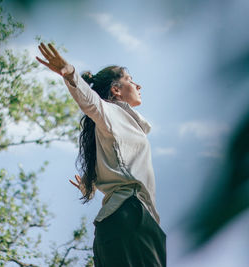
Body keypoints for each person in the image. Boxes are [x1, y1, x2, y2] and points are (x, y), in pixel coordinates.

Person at [36, 42, 166, 267]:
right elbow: (91, 102)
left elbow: (115, 164)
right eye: (130, 79)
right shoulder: (111, 112)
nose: (138, 85)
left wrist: (91, 184)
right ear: (116, 90)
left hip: (124, 220)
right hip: (131, 216)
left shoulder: (118, 126)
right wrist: (70, 74)